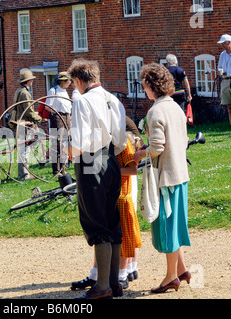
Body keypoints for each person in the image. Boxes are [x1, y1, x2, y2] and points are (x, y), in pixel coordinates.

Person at [66, 58, 127, 299]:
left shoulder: (82, 101)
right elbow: (121, 141)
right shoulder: (114, 100)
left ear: (79, 80)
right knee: (112, 221)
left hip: (91, 161)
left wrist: (67, 150)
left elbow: (79, 143)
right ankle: (114, 283)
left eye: (74, 83)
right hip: (111, 159)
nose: (74, 88)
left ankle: (102, 287)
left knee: (96, 221)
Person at [134, 63, 191, 294]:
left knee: (167, 228)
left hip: (166, 177)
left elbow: (157, 147)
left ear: (151, 86)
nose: (144, 90)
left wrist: (138, 154)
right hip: (180, 174)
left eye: (144, 85)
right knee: (176, 225)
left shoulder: (156, 111)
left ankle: (170, 278)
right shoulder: (175, 107)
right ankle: (182, 270)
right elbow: (180, 141)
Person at [13, 70, 42, 180]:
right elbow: (28, 111)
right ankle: (24, 175)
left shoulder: (19, 91)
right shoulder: (25, 93)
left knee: (23, 149)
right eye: (32, 80)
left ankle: (24, 173)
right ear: (29, 81)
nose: (33, 81)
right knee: (24, 150)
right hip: (24, 124)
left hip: (19, 122)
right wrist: (38, 118)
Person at [45, 72, 73, 175]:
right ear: (63, 81)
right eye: (69, 81)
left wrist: (69, 120)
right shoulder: (53, 91)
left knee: (64, 144)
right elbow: (47, 106)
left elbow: (68, 108)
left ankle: (63, 168)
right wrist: (56, 113)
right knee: (57, 144)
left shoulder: (65, 92)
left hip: (66, 117)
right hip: (57, 118)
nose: (70, 83)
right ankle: (56, 170)